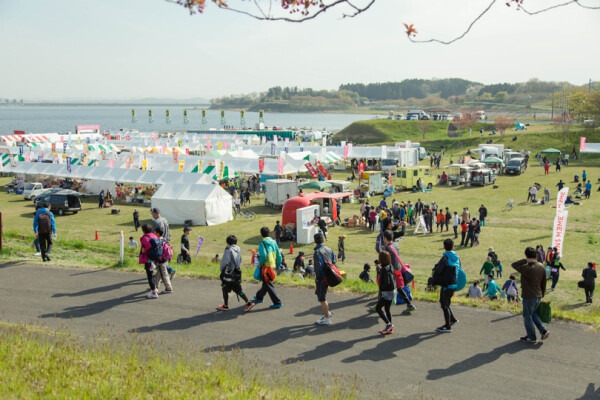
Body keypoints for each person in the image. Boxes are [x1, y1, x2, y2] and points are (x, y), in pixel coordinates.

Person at [511, 247, 550, 343]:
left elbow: (514, 264)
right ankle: (543, 331)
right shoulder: (541, 266)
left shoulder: (526, 268)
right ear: (536, 255)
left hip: (529, 295)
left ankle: (531, 337)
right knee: (532, 314)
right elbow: (544, 282)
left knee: (527, 316)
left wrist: (525, 260)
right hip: (538, 294)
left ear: (526, 255)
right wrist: (542, 293)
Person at [246, 227, 283, 311]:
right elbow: (279, 254)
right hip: (273, 265)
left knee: (268, 284)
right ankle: (259, 297)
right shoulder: (273, 242)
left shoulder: (262, 243)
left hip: (266, 266)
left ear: (261, 234)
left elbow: (263, 256)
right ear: (269, 233)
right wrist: (278, 264)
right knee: (266, 282)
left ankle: (277, 302)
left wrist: (260, 264)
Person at [382, 230, 416, 312]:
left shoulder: (387, 248)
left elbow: (387, 261)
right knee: (399, 288)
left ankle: (379, 307)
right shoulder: (395, 245)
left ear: (385, 238)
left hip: (392, 271)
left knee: (384, 288)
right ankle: (409, 304)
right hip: (398, 269)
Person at [217, 235, 253, 311]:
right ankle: (248, 302)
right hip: (237, 272)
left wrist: (222, 271)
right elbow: (240, 260)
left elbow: (224, 262)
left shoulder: (228, 250)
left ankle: (225, 306)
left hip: (229, 273)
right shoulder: (238, 249)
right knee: (238, 289)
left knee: (225, 288)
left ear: (227, 242)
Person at [434, 239, 461, 333]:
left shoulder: (445, 257)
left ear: (444, 247)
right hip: (454, 284)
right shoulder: (457, 257)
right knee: (446, 303)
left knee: (444, 305)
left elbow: (438, 270)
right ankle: (452, 319)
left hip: (446, 284)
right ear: (453, 246)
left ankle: (447, 326)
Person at [313, 232, 335, 325]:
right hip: (329, 276)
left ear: (315, 241)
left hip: (322, 277)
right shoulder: (329, 249)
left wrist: (318, 278)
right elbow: (333, 261)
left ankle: (326, 318)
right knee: (322, 294)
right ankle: (327, 313)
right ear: (323, 240)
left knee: (322, 298)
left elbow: (317, 268)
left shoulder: (317, 252)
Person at [375, 250, 396, 335]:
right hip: (392, 290)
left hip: (387, 292)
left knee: (378, 308)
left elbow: (386, 281)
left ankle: (389, 324)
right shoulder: (390, 266)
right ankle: (389, 328)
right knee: (387, 309)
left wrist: (381, 288)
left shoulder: (384, 270)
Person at [139, 223, 159, 299]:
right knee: (152, 274)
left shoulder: (144, 238)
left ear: (143, 230)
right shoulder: (154, 236)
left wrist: (143, 251)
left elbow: (145, 249)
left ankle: (154, 291)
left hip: (148, 259)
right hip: (155, 258)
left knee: (149, 276)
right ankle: (154, 288)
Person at [153, 226, 173, 294]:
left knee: (164, 274)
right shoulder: (164, 240)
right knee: (159, 274)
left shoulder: (158, 241)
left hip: (161, 260)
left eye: (155, 232)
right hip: (165, 259)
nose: (154, 233)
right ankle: (155, 286)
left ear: (158, 233)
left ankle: (168, 288)